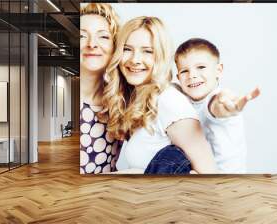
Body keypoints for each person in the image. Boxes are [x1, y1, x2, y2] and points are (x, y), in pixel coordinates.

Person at [101, 16, 217, 174]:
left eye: (147, 51)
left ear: (161, 56)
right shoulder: (142, 99)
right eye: (127, 49)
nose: (135, 59)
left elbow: (209, 175)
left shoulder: (169, 101)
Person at [174, 38, 260, 173]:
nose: (192, 75)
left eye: (201, 67)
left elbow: (215, 108)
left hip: (226, 181)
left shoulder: (218, 99)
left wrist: (223, 106)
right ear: (178, 77)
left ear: (219, 70)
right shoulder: (180, 100)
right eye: (184, 71)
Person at [79, 3, 122, 174]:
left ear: (114, 47)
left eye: (103, 37)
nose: (92, 44)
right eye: (82, 36)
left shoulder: (119, 102)